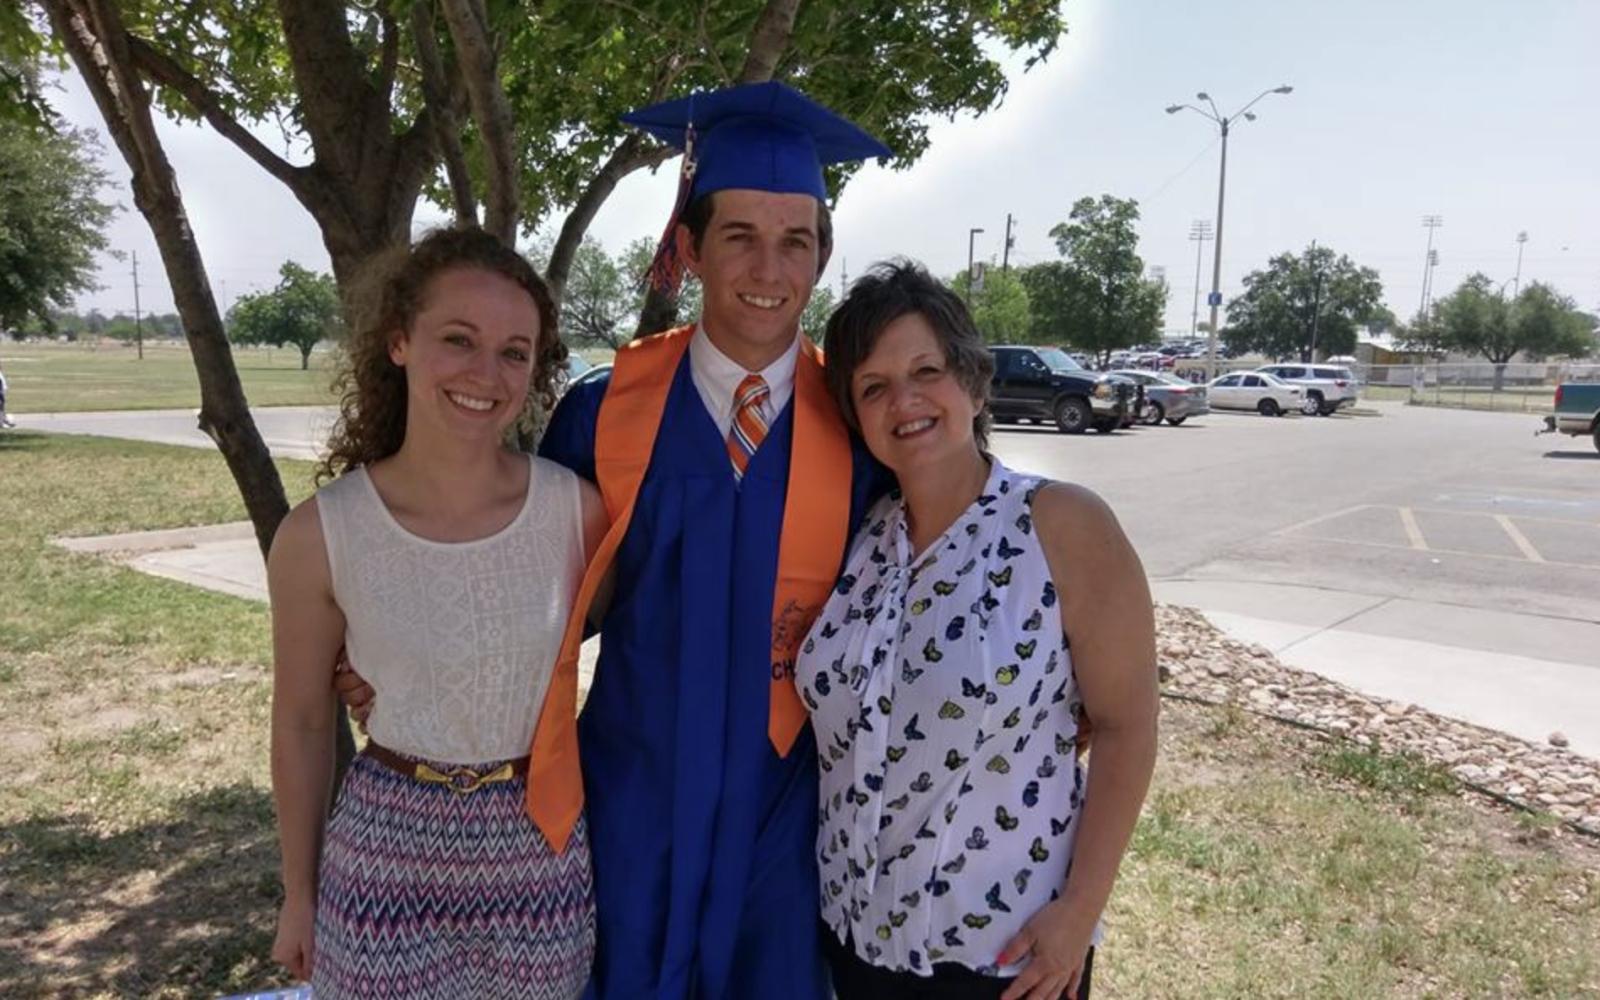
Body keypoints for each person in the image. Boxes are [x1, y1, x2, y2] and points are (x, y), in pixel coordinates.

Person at [339, 82, 893, 998]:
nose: (769, 266)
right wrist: (386, 656)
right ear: (687, 245)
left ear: (822, 256)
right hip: (630, 796)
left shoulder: (860, 422)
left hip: (791, 807)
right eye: (739, 236)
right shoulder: (605, 414)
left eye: (796, 240)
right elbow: (524, 585)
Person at [796, 260, 1159, 1000]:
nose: (904, 400)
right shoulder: (859, 541)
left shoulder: (1060, 525)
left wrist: (1079, 915)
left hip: (1003, 957)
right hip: (851, 941)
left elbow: (1127, 725)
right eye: (873, 386)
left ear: (973, 381)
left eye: (926, 369)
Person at [268, 227, 604, 999]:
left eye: (515, 351)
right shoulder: (322, 534)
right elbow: (302, 722)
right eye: (459, 339)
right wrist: (299, 891)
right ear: (398, 342)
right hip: (383, 849)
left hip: (538, 850)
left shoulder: (577, 515)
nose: (486, 373)